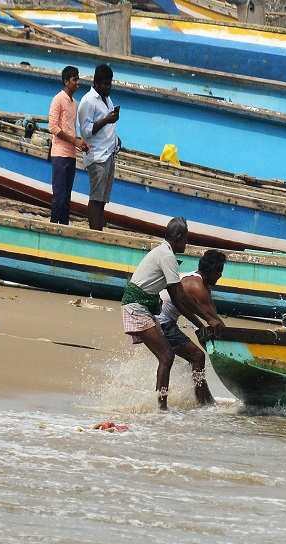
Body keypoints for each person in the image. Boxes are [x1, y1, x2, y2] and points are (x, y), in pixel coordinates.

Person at [121, 217, 224, 411]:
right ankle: (164, 408)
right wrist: (208, 319)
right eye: (186, 239)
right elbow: (179, 297)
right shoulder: (167, 256)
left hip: (144, 308)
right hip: (137, 308)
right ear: (177, 237)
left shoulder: (165, 253)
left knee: (183, 357)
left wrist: (201, 324)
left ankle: (188, 402)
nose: (187, 243)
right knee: (169, 356)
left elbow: (179, 300)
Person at [156, 249, 227, 406]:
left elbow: (208, 319)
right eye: (219, 272)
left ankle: (205, 399)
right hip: (161, 323)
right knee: (197, 356)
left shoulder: (196, 279)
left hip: (162, 321)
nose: (220, 276)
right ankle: (202, 402)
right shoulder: (197, 287)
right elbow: (216, 322)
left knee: (195, 357)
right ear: (211, 271)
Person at [77, 63, 120, 231]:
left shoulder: (107, 98)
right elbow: (86, 131)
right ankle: (95, 232)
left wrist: (116, 138)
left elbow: (106, 126)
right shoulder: (88, 102)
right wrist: (106, 120)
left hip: (109, 153)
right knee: (96, 197)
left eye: (110, 83)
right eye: (105, 84)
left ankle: (99, 228)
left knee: (103, 198)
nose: (108, 87)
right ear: (96, 83)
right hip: (97, 156)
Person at [48, 65, 88, 225]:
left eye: (78, 79)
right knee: (59, 194)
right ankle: (53, 225)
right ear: (66, 81)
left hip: (71, 154)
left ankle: (63, 226)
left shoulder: (74, 103)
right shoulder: (58, 99)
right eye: (74, 79)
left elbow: (71, 129)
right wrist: (74, 141)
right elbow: (53, 127)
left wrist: (80, 143)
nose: (77, 82)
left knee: (67, 195)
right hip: (59, 153)